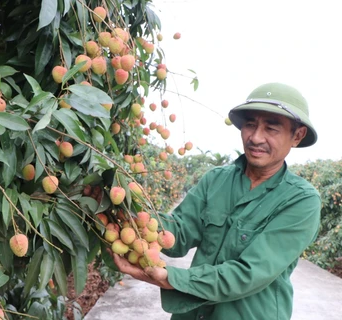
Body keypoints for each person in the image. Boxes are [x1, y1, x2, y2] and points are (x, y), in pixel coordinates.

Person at [110, 82, 321, 320]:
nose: (255, 137)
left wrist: (171, 278)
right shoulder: (215, 180)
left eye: (271, 129)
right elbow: (178, 233)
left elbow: (249, 273)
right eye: (250, 125)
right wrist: (129, 213)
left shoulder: (301, 201)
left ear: (297, 135)